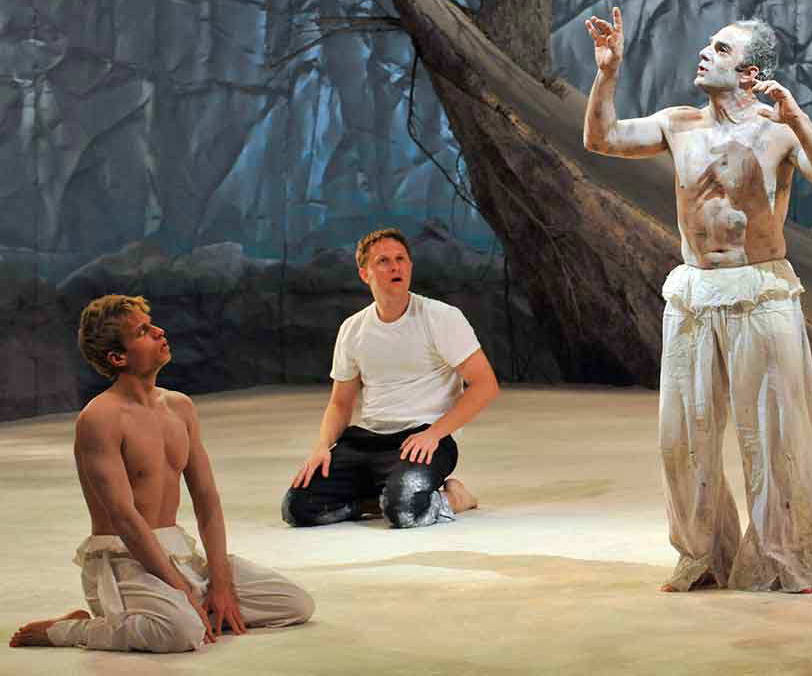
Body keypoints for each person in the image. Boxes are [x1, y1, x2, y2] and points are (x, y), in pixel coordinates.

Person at [583, 7, 812, 592]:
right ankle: (703, 554)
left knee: (777, 434)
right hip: (694, 292)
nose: (705, 52)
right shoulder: (678, 123)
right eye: (709, 44)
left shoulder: (778, 131)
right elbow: (601, 138)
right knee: (683, 437)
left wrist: (799, 119)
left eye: (722, 49)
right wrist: (608, 73)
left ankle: (788, 556)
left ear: (751, 72)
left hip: (760, 292)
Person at [9, 295, 314, 652]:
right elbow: (124, 518)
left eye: (151, 324)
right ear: (118, 357)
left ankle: (181, 614)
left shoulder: (180, 407)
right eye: (143, 331)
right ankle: (74, 629)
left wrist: (220, 583)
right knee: (181, 632)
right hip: (125, 560)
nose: (159, 332)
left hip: (178, 553)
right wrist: (182, 591)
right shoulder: (100, 418)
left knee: (294, 604)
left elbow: (207, 500)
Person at [282, 228, 497, 529]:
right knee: (298, 507)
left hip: (423, 439)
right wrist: (321, 447)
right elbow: (340, 403)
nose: (395, 267)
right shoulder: (353, 329)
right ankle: (381, 501)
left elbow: (485, 385)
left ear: (410, 266)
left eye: (401, 259)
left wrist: (435, 434)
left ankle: (455, 498)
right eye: (383, 261)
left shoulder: (441, 317)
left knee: (406, 513)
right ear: (364, 274)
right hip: (366, 442)